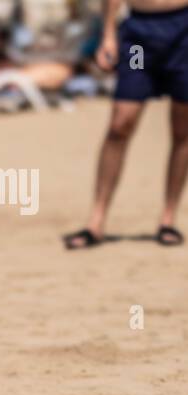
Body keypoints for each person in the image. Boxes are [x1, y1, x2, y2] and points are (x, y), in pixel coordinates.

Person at [63, 0, 188, 249]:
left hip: (184, 32)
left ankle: (168, 219)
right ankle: (95, 222)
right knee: (121, 122)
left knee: (183, 128)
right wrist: (108, 34)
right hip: (140, 39)